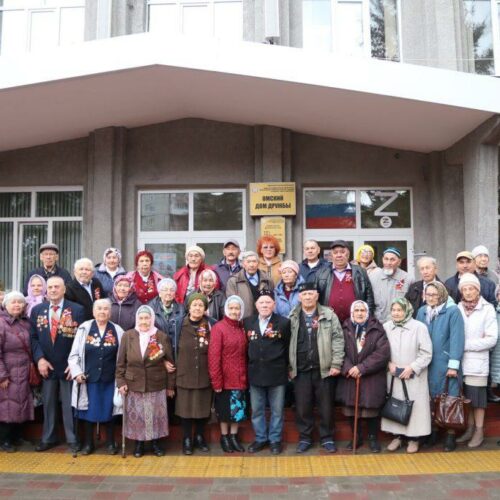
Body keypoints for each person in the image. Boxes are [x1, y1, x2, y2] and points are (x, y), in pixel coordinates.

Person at [30, 276, 85, 453]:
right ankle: (48, 438)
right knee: (48, 404)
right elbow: (33, 338)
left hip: (68, 366)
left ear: (64, 290)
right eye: (50, 287)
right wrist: (40, 359)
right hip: (47, 366)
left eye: (57, 287)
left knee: (69, 405)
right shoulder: (37, 310)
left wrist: (75, 364)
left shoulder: (77, 310)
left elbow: (82, 340)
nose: (53, 290)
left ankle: (72, 439)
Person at [289, 282, 344, 454]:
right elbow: (286, 343)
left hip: (324, 369)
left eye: (311, 294)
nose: (307, 297)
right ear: (299, 297)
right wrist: (289, 366)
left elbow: (338, 339)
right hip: (301, 369)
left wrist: (336, 363)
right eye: (304, 294)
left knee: (326, 407)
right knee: (302, 407)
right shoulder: (292, 316)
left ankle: (327, 437)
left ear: (317, 296)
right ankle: (305, 438)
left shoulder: (329, 315)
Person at [115, 305, 175, 458]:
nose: (144, 321)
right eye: (141, 318)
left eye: (147, 318)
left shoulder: (161, 336)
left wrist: (170, 386)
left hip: (156, 383)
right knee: (137, 416)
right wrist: (121, 382)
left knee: (155, 415)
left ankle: (156, 444)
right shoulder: (128, 336)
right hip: (133, 383)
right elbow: (121, 363)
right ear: (137, 319)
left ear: (152, 319)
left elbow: (170, 363)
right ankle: (139, 444)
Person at [68, 299, 124, 455]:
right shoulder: (84, 328)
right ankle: (88, 443)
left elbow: (122, 356)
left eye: (106, 309)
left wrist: (121, 378)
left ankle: (111, 442)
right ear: (93, 312)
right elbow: (74, 355)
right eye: (99, 308)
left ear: (110, 312)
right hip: (88, 379)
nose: (102, 311)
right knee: (88, 412)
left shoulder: (117, 330)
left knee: (110, 411)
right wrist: (77, 373)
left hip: (110, 379)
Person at [416, 281, 464, 452]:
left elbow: (457, 339)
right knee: (432, 398)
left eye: (434, 294)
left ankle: (450, 435)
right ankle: (434, 431)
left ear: (442, 294)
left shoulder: (453, 311)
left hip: (445, 363)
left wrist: (453, 366)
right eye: (427, 294)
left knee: (450, 399)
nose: (430, 298)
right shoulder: (422, 311)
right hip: (427, 364)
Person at [337, 300, 390, 453]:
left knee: (371, 409)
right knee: (351, 408)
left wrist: (362, 367)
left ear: (367, 313)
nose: (360, 313)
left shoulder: (377, 328)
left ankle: (373, 438)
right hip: (350, 376)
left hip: (371, 376)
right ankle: (356, 437)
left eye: (363, 310)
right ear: (351, 312)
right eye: (357, 310)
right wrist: (349, 368)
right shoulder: (344, 328)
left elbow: (382, 353)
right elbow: (338, 350)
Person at [381, 298, 432, 454]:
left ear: (407, 311)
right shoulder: (386, 327)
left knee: (414, 407)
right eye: (394, 310)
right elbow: (379, 350)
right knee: (395, 405)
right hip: (393, 374)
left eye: (400, 310)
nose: (396, 313)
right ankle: (397, 437)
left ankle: (414, 439)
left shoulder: (419, 327)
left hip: (413, 376)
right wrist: (388, 364)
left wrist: (412, 367)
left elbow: (426, 353)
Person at [244, 291, 291, 455]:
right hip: (255, 373)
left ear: (274, 305)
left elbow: (287, 347)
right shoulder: (248, 322)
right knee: (257, 410)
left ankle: (275, 440)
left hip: (276, 373)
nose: (264, 305)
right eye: (261, 302)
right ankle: (260, 438)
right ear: (256, 305)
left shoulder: (283, 323)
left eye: (268, 302)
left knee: (277, 410)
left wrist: (287, 368)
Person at [455, 273, 498, 448]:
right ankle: (470, 428)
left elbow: (491, 339)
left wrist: (464, 344)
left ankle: (479, 431)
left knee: (478, 401)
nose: (468, 292)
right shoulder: (458, 307)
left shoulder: (487, 309)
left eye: (471, 288)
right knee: (467, 399)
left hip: (478, 363)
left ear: (477, 290)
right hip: (461, 363)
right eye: (464, 289)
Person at [175, 293, 216, 455]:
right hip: (184, 373)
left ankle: (199, 436)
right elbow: (171, 346)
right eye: (194, 305)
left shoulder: (211, 324)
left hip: (204, 373)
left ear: (205, 308)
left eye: (201, 305)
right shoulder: (179, 324)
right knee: (185, 409)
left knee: (202, 407)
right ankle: (187, 438)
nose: (197, 308)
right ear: (189, 307)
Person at [208, 295, 248, 453]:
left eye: (237, 308)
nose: (234, 311)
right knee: (224, 411)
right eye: (231, 308)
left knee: (238, 411)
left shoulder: (242, 327)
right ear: (226, 309)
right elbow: (213, 356)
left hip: (240, 377)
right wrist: (216, 380)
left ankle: (233, 437)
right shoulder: (219, 328)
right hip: (224, 378)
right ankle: (224, 437)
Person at [0, 292, 35, 452]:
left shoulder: (26, 322)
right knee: (6, 405)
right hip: (8, 370)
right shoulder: (2, 323)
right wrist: (2, 375)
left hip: (24, 369)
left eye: (20, 302)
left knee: (21, 403)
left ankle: (17, 436)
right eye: (13, 302)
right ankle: (4, 440)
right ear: (5, 305)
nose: (17, 305)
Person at [315, 240, 375, 323]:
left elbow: (369, 297)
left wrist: (368, 318)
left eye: (342, 252)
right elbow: (315, 298)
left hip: (355, 322)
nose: (339, 255)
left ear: (348, 254)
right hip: (329, 322)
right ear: (331, 255)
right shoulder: (321, 273)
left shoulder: (360, 271)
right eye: (335, 252)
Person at [370, 247, 414, 322]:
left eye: (392, 259)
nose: (388, 263)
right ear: (382, 260)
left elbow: (412, 304)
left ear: (399, 262)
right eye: (386, 259)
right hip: (377, 323)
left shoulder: (408, 279)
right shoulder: (373, 277)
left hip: (399, 322)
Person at [226, 251, 274, 319]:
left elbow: (272, 301)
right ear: (243, 264)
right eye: (248, 262)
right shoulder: (233, 281)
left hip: (264, 319)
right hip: (243, 320)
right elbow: (232, 305)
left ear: (258, 263)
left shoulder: (267, 280)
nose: (251, 265)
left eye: (254, 261)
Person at [148, 278, 185, 359]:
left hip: (177, 354)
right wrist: (162, 358)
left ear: (174, 293)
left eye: (171, 290)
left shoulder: (181, 309)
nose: (168, 293)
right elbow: (148, 336)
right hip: (157, 355)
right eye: (165, 290)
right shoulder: (150, 309)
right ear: (159, 293)